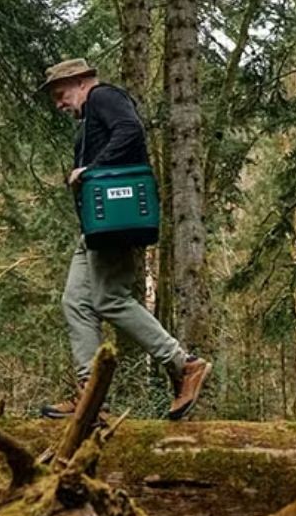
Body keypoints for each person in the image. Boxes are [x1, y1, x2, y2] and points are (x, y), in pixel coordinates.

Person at [41, 58, 209, 421]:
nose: (59, 104)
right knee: (75, 301)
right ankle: (90, 396)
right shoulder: (89, 120)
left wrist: (94, 169)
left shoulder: (103, 96)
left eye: (61, 94)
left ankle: (184, 364)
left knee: (111, 298)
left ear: (82, 81)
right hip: (94, 229)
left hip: (111, 221)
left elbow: (130, 129)